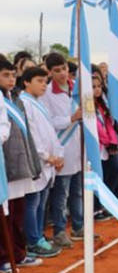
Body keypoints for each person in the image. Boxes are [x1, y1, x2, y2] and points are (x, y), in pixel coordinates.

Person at [0, 60, 44, 273]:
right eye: (6, 75)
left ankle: (18, 252)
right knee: (5, 215)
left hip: (21, 162)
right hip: (5, 165)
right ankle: (5, 257)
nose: (10, 79)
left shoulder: (15, 98)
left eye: (12, 75)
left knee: (17, 212)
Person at [18, 67, 65, 259]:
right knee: (33, 202)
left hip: (48, 161)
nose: (44, 84)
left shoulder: (37, 102)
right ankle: (33, 240)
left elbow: (50, 132)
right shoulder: (24, 103)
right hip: (36, 161)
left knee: (41, 201)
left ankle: (38, 236)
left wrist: (57, 155)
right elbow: (32, 135)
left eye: (45, 81)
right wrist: (46, 156)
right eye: (39, 80)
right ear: (27, 82)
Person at [40, 53, 81, 249]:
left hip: (79, 146)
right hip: (61, 148)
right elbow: (50, 122)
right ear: (49, 72)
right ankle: (59, 231)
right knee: (61, 195)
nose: (62, 73)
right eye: (56, 71)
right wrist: (72, 118)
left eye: (64, 69)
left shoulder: (76, 88)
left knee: (77, 191)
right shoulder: (46, 93)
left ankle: (79, 226)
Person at [93, 74, 118, 221]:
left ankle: (105, 203)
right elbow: (96, 127)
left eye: (99, 86)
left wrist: (113, 141)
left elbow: (108, 124)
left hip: (108, 146)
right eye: (93, 87)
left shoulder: (102, 103)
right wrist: (107, 141)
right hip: (98, 146)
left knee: (115, 171)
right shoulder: (88, 104)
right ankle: (96, 208)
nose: (97, 89)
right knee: (98, 177)